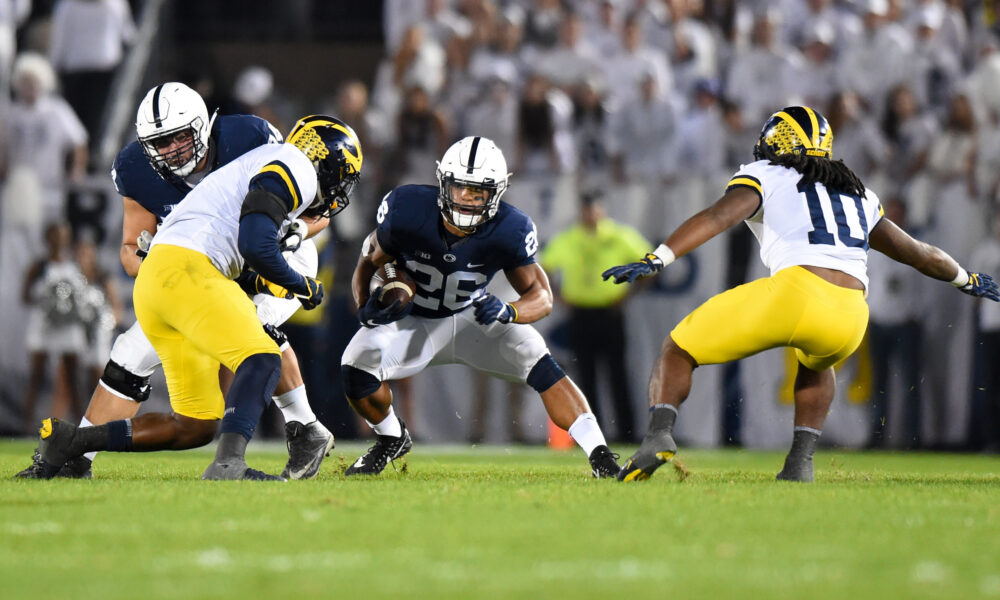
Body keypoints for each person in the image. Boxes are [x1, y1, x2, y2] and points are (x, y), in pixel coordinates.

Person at [602, 106, 1000, 483]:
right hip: (850, 316)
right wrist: (967, 279)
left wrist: (659, 257)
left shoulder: (766, 173)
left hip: (796, 292)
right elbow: (918, 252)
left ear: (776, 142)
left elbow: (719, 216)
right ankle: (800, 462)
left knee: (678, 348)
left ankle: (658, 436)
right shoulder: (859, 193)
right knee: (817, 364)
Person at [17, 83, 334, 480]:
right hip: (191, 268)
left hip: (271, 253)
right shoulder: (136, 167)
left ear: (203, 125)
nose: (172, 151)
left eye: (180, 137)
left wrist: (293, 240)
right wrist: (153, 258)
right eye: (159, 143)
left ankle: (301, 426)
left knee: (251, 321)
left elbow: (312, 206)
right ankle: (75, 457)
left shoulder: (249, 137)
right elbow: (130, 249)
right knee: (131, 353)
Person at [340, 136, 620, 478]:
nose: (469, 199)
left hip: (473, 318)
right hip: (415, 320)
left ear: (497, 193)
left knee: (538, 357)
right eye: (461, 189)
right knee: (355, 366)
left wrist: (510, 311)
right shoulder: (407, 207)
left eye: (479, 192)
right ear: (444, 183)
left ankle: (601, 455)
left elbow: (541, 296)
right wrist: (365, 305)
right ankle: (390, 439)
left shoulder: (510, 227)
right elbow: (370, 260)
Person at [540, 192, 651, 442]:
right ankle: (592, 437)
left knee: (618, 376)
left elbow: (649, 265)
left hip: (609, 312)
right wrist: (559, 296)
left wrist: (627, 296)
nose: (590, 214)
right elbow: (543, 267)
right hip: (581, 313)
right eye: (586, 209)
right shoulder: (569, 238)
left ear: (602, 210)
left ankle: (627, 433)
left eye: (594, 209)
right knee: (586, 378)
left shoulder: (618, 236)